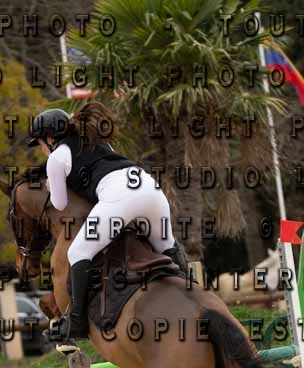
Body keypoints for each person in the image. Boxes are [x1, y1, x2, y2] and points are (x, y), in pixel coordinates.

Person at [26, 104, 187, 341]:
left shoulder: (57, 157)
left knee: (78, 252)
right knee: (167, 245)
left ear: (50, 138)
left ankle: (77, 322)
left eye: (40, 143)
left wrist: (52, 185)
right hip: (149, 189)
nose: (41, 149)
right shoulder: (98, 141)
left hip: (121, 197)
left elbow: (59, 204)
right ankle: (193, 291)